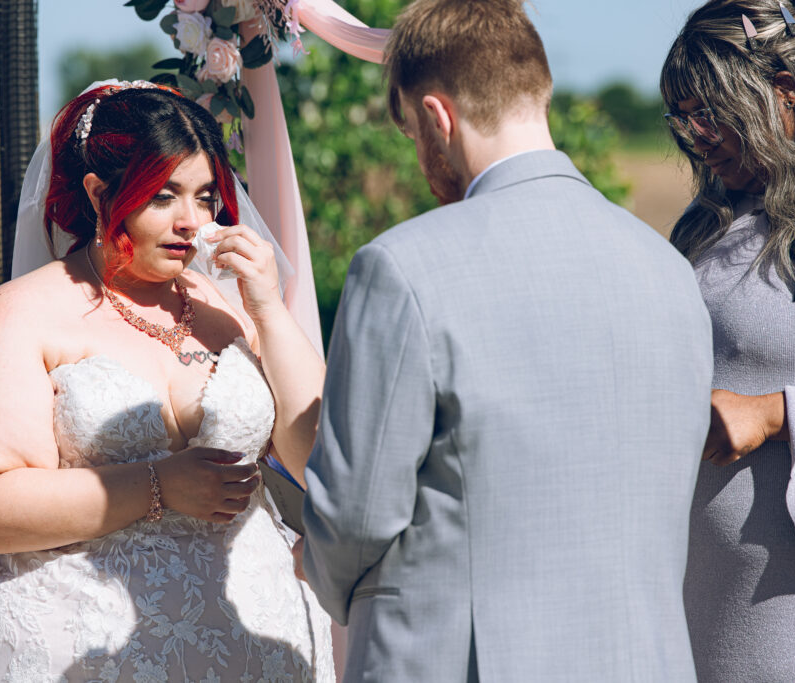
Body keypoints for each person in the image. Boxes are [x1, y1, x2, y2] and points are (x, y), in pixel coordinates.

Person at [297, 0, 715, 680]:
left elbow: (355, 516)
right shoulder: (669, 271)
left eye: (411, 133)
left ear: (437, 117)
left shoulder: (401, 269)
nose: (419, 156)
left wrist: (316, 561)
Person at [0, 81, 334, 682]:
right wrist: (158, 484)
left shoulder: (229, 311)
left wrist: (269, 311)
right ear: (100, 194)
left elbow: (324, 465)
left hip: (256, 647)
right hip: (79, 649)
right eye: (163, 196)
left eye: (204, 198)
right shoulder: (25, 312)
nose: (190, 223)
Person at [660, 1, 795, 679]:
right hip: (692, 605)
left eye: (713, 112)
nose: (697, 134)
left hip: (792, 613)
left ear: (783, 92)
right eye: (683, 116)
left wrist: (775, 413)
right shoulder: (701, 227)